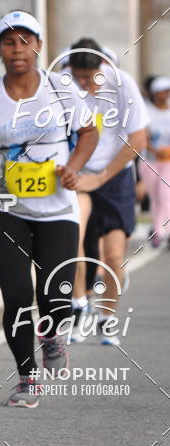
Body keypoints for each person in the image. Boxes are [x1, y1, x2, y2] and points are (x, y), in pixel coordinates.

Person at [0, 11, 98, 407]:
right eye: (8, 42)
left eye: (25, 41)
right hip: (6, 210)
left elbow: (89, 131)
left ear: (37, 45)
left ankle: (53, 335)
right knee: (17, 295)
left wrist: (73, 168)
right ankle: (26, 377)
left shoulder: (61, 88)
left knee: (54, 294)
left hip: (57, 210)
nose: (17, 49)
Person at [70, 44, 149, 343]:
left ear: (102, 68)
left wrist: (103, 176)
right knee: (74, 243)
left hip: (114, 176)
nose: (84, 85)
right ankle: (79, 308)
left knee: (114, 255)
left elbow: (138, 139)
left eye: (89, 78)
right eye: (78, 77)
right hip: (78, 174)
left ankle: (106, 317)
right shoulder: (61, 84)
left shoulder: (122, 83)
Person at [142, 75, 170, 248]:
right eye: (164, 90)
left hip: (169, 161)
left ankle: (163, 231)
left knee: (165, 193)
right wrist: (156, 151)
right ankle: (156, 229)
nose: (167, 94)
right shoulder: (146, 111)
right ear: (156, 92)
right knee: (155, 197)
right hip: (150, 161)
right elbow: (143, 137)